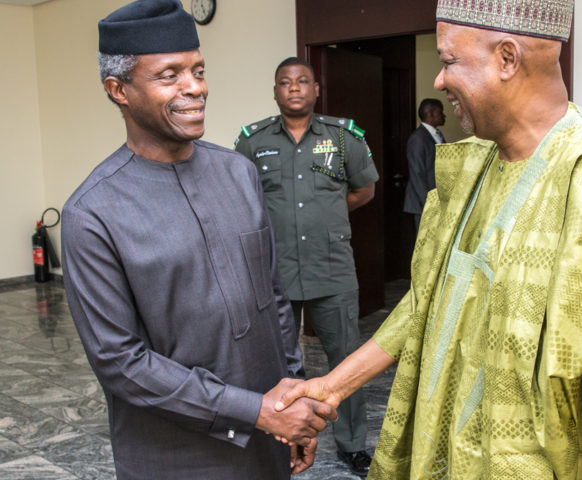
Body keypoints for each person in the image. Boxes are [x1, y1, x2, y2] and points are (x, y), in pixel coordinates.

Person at [274, 1, 582, 479]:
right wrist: (332, 385)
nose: (438, 79)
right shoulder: (470, 168)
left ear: (507, 59)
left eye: (449, 60)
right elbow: (428, 301)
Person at [60, 2, 336, 479]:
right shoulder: (92, 214)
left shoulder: (238, 173)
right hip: (175, 457)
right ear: (118, 89)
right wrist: (258, 410)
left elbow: (273, 298)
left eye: (199, 69)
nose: (196, 87)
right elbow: (121, 362)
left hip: (267, 443)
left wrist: (293, 400)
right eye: (170, 75)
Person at [234, 56, 379, 476]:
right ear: (275, 91)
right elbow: (240, 200)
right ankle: (282, 439)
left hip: (331, 268)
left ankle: (352, 445)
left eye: (302, 81)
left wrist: (327, 215)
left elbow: (364, 190)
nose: (294, 88)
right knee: (276, 364)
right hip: (274, 272)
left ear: (316, 90)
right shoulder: (252, 140)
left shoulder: (341, 137)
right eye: (285, 82)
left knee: (346, 362)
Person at [403, 98, 446, 232]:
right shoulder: (418, 138)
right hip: (424, 202)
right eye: (441, 112)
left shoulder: (437, 134)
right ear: (431, 114)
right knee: (425, 244)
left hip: (438, 198)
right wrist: (429, 203)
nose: (444, 116)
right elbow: (417, 174)